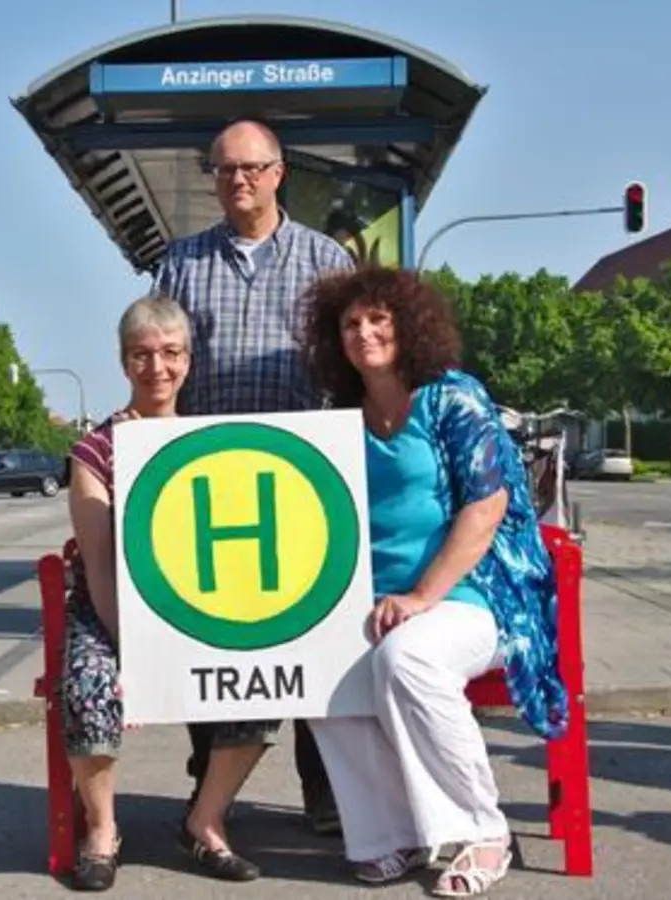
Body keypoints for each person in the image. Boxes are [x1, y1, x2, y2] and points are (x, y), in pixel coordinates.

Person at [297, 267, 569, 896]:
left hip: (474, 594)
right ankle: (392, 834)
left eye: (377, 319)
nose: (364, 332)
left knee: (407, 659)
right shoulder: (339, 415)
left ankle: (484, 830)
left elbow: (487, 506)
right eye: (350, 324)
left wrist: (424, 596)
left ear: (407, 325)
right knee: (310, 665)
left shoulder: (454, 398)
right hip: (373, 597)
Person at [154, 116, 354, 837]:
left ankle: (324, 788)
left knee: (314, 639)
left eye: (251, 167)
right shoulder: (180, 263)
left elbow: (349, 364)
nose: (237, 180)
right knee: (213, 642)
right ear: (211, 178)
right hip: (210, 481)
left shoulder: (326, 259)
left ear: (279, 172)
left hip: (302, 482)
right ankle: (210, 789)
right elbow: (165, 359)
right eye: (224, 169)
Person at [59, 294, 270, 891]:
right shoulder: (95, 453)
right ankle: (101, 831)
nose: (157, 368)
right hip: (114, 612)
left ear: (189, 359)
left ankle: (205, 822)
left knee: (272, 673)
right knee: (89, 683)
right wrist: (138, 651)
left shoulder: (211, 441)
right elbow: (98, 569)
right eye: (142, 355)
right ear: (124, 362)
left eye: (171, 353)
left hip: (197, 609)